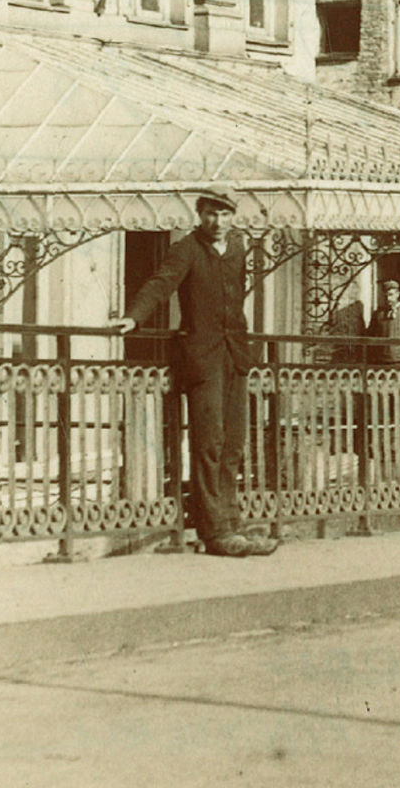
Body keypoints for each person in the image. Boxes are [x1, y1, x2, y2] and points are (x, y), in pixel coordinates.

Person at [115, 191, 278, 558]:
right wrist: (135, 316)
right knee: (209, 443)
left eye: (223, 215)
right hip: (202, 358)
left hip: (235, 354)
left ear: (234, 216)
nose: (217, 222)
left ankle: (233, 524)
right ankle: (215, 532)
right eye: (209, 214)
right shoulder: (186, 249)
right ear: (199, 215)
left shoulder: (237, 247)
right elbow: (162, 283)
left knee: (234, 443)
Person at [368, 278, 400, 364]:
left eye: (391, 295)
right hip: (383, 361)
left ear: (397, 294)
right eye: (386, 296)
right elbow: (370, 334)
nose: (388, 298)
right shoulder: (378, 314)